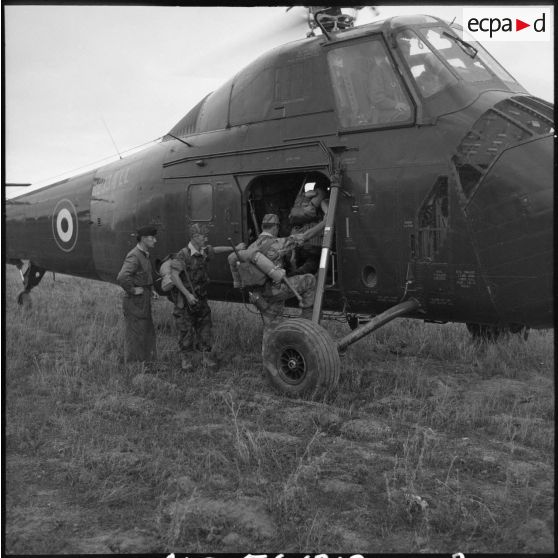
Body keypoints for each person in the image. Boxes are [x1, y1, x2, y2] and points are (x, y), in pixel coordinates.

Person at [232, 213, 325, 330]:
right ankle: (307, 325)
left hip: (259, 295)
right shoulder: (279, 244)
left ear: (262, 227)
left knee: (272, 329)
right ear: (275, 227)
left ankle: (268, 348)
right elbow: (306, 236)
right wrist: (324, 222)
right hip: (275, 291)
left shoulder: (252, 247)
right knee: (310, 280)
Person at [170, 223, 235, 372]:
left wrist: (234, 248)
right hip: (185, 302)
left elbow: (215, 250)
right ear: (194, 237)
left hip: (201, 299)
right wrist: (187, 295)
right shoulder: (183, 255)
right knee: (185, 331)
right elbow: (174, 276)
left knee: (205, 328)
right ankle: (186, 361)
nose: (206, 238)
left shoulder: (203, 252)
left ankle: (206, 358)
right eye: (203, 236)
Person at [116, 226, 158, 365]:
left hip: (143, 300)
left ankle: (147, 364)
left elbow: (143, 276)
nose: (155, 240)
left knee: (146, 332)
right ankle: (135, 367)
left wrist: (150, 290)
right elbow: (122, 277)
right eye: (152, 238)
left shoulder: (144, 254)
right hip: (135, 301)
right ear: (144, 239)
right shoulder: (135, 255)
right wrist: (133, 290)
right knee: (136, 334)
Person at [289, 183, 329, 275]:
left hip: (298, 239)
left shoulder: (300, 200)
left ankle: (296, 273)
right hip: (313, 241)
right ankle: (300, 273)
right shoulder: (323, 200)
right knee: (315, 259)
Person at [369, 51, 411, 124]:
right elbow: (377, 99)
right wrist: (395, 104)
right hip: (384, 113)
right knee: (409, 115)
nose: (405, 58)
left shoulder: (396, 69)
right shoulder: (378, 71)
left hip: (399, 107)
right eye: (404, 56)